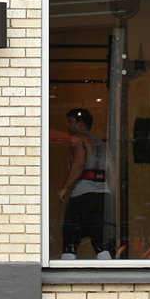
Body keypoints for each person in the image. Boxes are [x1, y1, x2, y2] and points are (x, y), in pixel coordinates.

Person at [58, 107, 113, 259]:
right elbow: (112, 173)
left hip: (83, 195)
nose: (68, 126)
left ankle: (66, 271)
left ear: (80, 123)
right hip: (103, 196)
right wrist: (110, 197)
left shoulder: (79, 140)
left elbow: (79, 164)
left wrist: (65, 188)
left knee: (70, 239)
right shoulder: (103, 145)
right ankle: (108, 270)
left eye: (70, 122)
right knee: (101, 243)